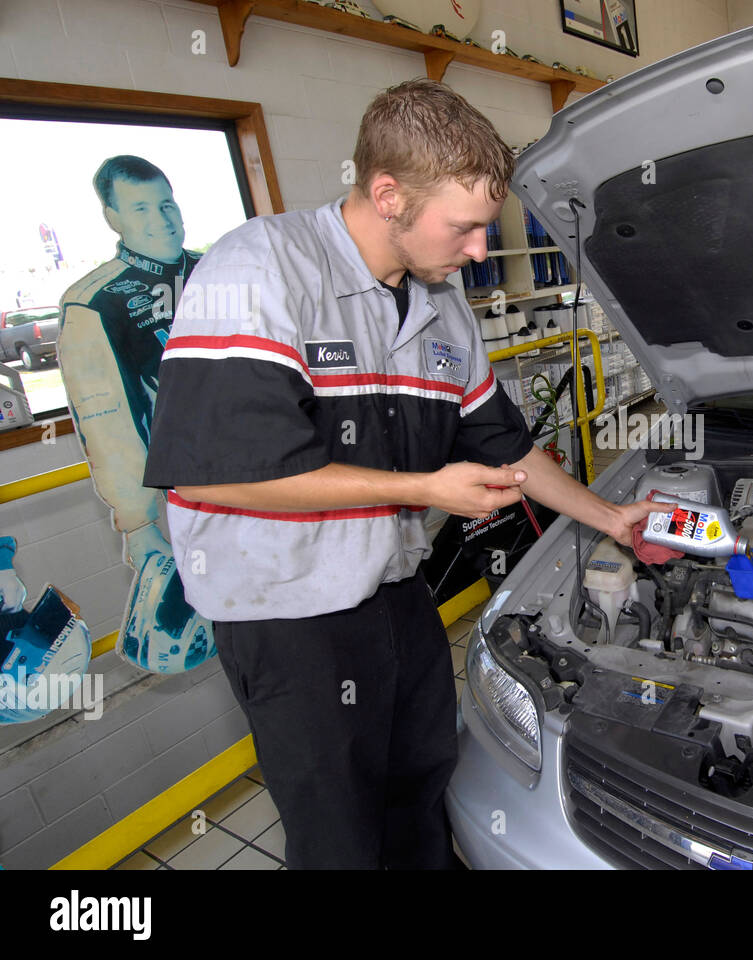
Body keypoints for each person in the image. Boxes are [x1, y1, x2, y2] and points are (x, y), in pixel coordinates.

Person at [142, 79, 666, 869]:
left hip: (395, 594)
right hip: (288, 618)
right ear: (388, 195)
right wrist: (424, 489)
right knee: (340, 835)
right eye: (465, 228)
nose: (481, 252)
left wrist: (609, 519)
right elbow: (219, 476)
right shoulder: (261, 270)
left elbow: (506, 448)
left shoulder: (442, 308)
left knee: (424, 787)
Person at [58, 155, 214, 674]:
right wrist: (139, 524)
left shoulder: (221, 270)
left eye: (167, 204)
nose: (163, 219)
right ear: (113, 217)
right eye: (142, 207)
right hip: (189, 498)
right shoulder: (95, 304)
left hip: (279, 475)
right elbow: (106, 425)